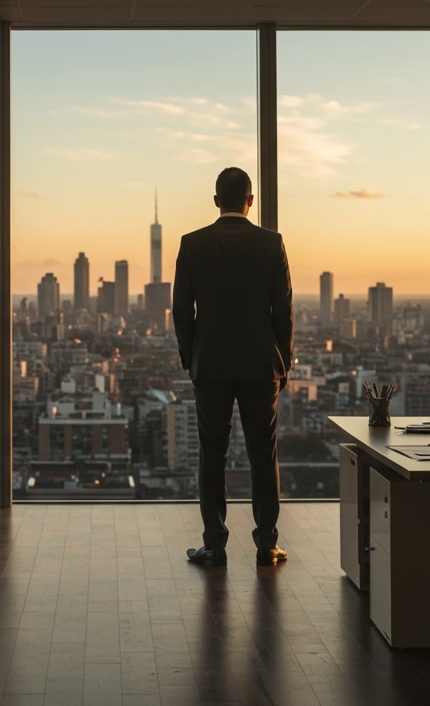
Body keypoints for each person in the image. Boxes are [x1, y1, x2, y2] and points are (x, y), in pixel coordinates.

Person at [172, 167, 293, 567]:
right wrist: (283, 360)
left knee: (212, 453)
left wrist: (191, 355)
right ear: (250, 200)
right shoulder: (271, 243)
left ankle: (214, 544)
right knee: (263, 453)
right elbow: (283, 310)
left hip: (211, 363)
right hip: (261, 363)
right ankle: (267, 544)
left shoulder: (193, 244)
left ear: (215, 200)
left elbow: (181, 309)